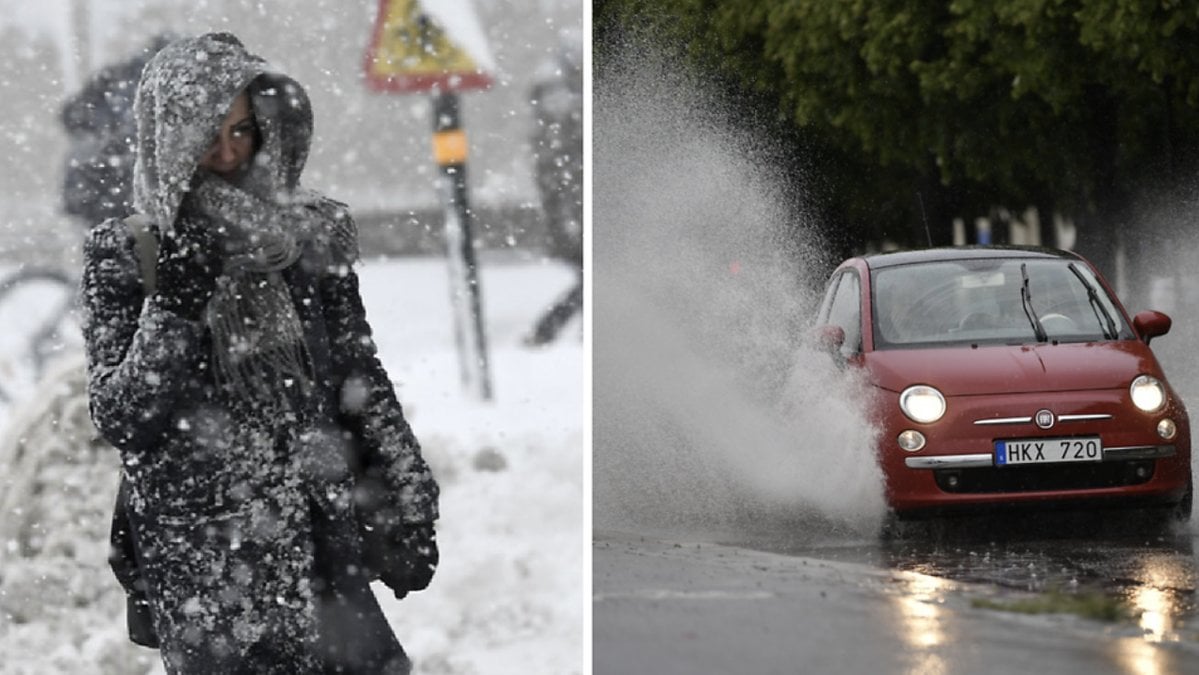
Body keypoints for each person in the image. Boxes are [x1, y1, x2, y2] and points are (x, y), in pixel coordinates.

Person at [79, 33, 439, 674]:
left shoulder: (309, 235)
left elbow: (357, 374)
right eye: (205, 135)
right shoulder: (128, 252)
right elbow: (121, 413)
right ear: (168, 137)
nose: (226, 153)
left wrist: (409, 492)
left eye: (242, 130)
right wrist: (174, 308)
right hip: (207, 570)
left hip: (320, 536)